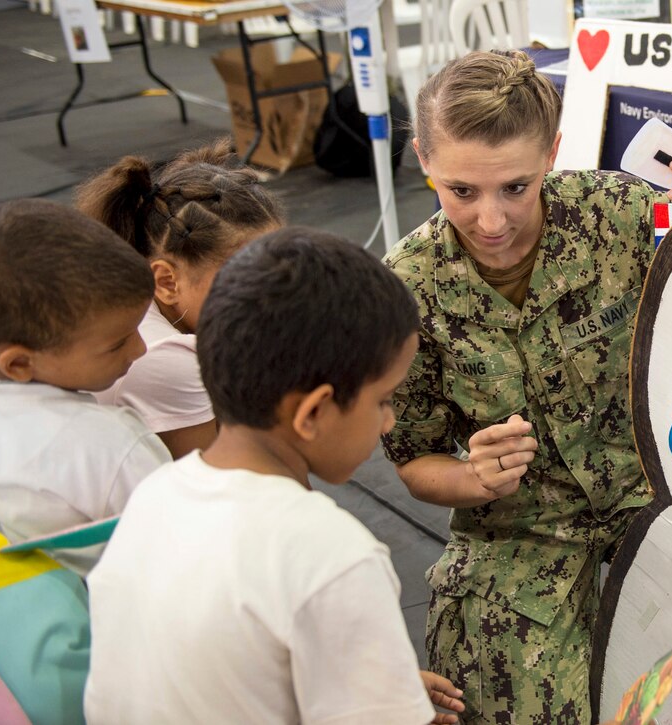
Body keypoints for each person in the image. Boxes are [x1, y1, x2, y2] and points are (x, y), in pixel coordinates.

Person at [382, 49, 672, 722]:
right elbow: (415, 462)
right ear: (424, 161)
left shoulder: (619, 215)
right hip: (521, 530)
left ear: (552, 152)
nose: (491, 221)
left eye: (515, 187)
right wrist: (475, 479)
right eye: (462, 191)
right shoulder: (405, 289)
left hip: (656, 499)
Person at [85, 227, 465, 725]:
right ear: (311, 414)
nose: (389, 421)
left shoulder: (155, 493)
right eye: (382, 400)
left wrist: (376, 684)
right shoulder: (334, 555)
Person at [0, 198, 171, 576]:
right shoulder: (113, 446)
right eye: (117, 343)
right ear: (20, 364)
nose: (140, 348)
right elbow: (182, 545)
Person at [75, 138, 284, 459]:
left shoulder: (144, 302)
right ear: (167, 281)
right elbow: (218, 491)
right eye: (246, 279)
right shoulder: (164, 357)